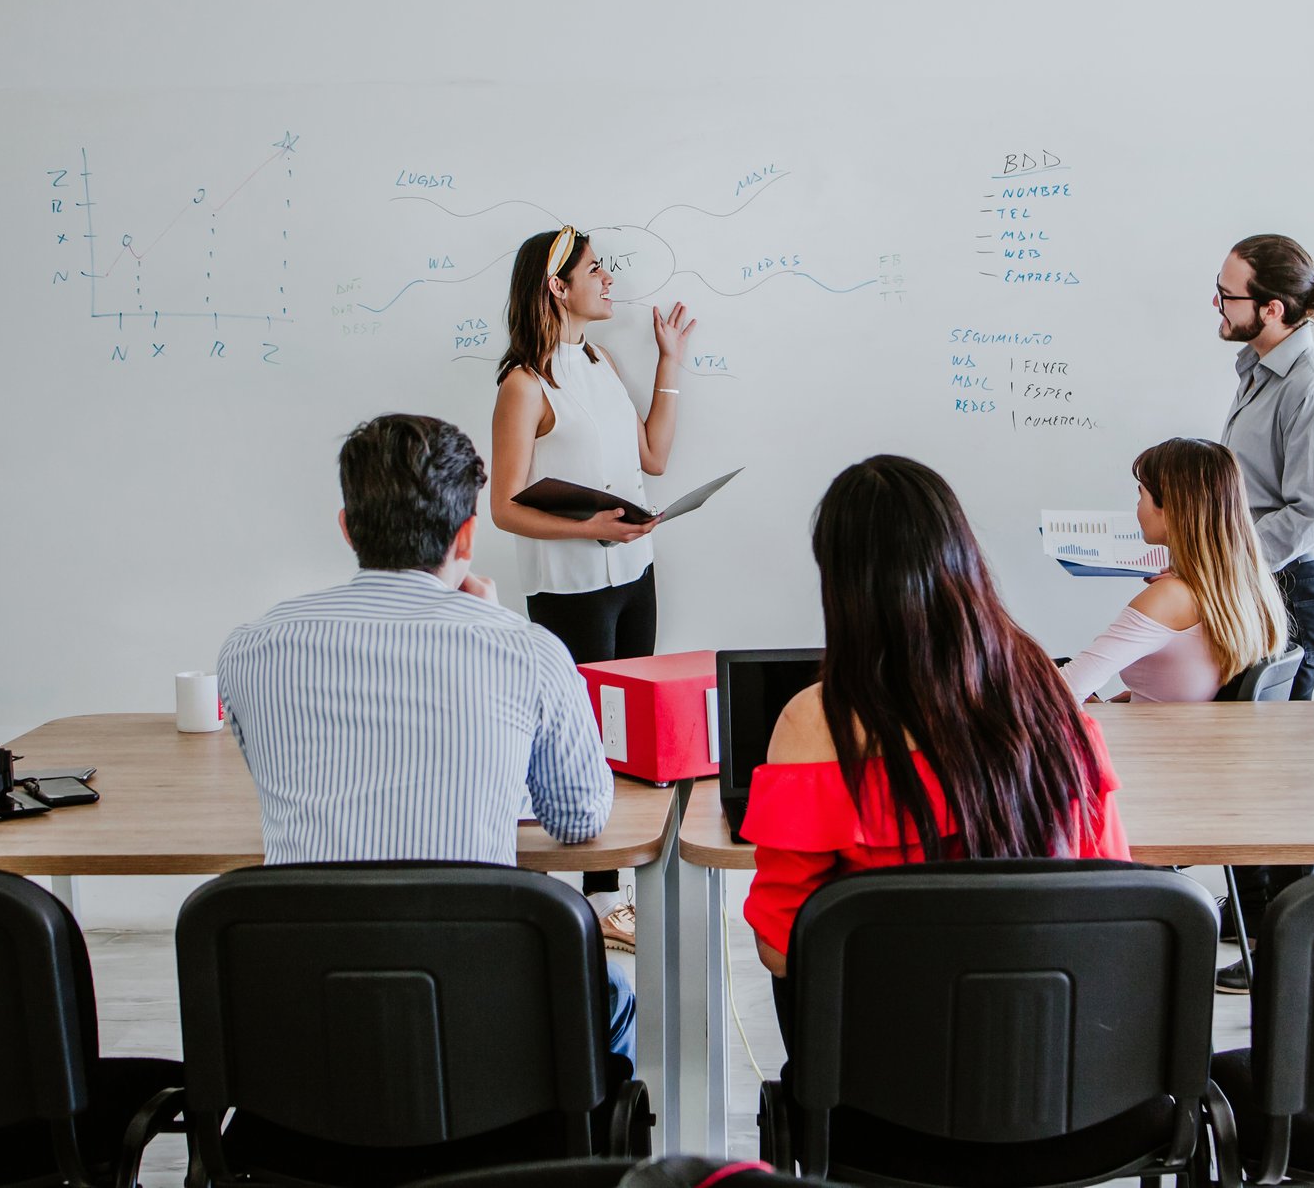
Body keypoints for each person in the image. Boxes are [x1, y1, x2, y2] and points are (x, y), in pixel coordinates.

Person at [217, 413, 634, 1064]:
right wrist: (497, 635)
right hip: (476, 1023)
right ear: (467, 535)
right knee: (617, 994)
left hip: (309, 1024)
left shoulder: (250, 649)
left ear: (348, 527)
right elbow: (580, 818)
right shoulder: (526, 650)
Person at [738, 456, 1130, 1042]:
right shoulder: (1049, 701)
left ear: (842, 585)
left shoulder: (816, 723)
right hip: (1056, 1079)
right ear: (962, 559)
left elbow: (780, 948)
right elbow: (1112, 901)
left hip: (890, 1098)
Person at [488, 226, 696, 952]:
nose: (608, 281)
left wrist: (670, 361)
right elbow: (504, 505)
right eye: (595, 271)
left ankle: (627, 896)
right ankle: (598, 898)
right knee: (584, 746)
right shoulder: (525, 384)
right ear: (557, 287)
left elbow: (654, 456)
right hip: (573, 589)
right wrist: (590, 532)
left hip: (635, 578)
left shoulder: (599, 360)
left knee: (635, 742)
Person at [1213, 233, 1314, 993]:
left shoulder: (1312, 387)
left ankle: (1283, 951)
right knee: (1246, 773)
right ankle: (1254, 927)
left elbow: (1311, 514)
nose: (1217, 302)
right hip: (1256, 592)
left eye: (1229, 292)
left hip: (1289, 596)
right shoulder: (1262, 371)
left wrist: (1224, 554)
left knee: (1270, 782)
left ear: (1271, 307)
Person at [1060, 437, 1289, 702]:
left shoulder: (1169, 598)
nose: (1137, 506)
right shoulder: (1243, 587)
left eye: (1141, 494)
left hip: (1148, 741)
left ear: (1170, 509)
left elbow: (1063, 691)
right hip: (1184, 735)